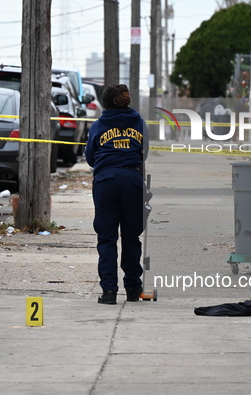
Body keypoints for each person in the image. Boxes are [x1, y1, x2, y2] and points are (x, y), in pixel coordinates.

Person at [84, 84, 148, 304]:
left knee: (107, 238)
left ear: (105, 103)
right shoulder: (139, 123)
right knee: (131, 237)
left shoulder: (98, 126)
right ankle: (133, 290)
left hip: (106, 182)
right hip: (133, 181)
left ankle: (109, 291)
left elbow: (90, 157)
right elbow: (144, 153)